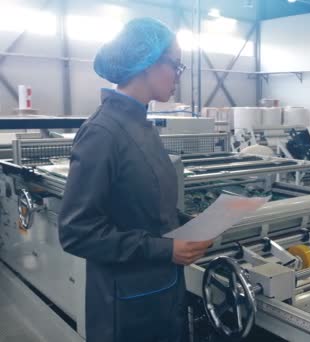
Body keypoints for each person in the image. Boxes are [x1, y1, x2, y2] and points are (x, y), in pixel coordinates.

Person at [58, 18, 212, 342]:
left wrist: (189, 224)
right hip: (126, 309)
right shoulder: (102, 133)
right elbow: (77, 232)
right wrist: (164, 250)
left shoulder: (143, 125)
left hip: (162, 295)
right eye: (176, 66)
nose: (178, 77)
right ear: (148, 63)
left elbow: (148, 208)